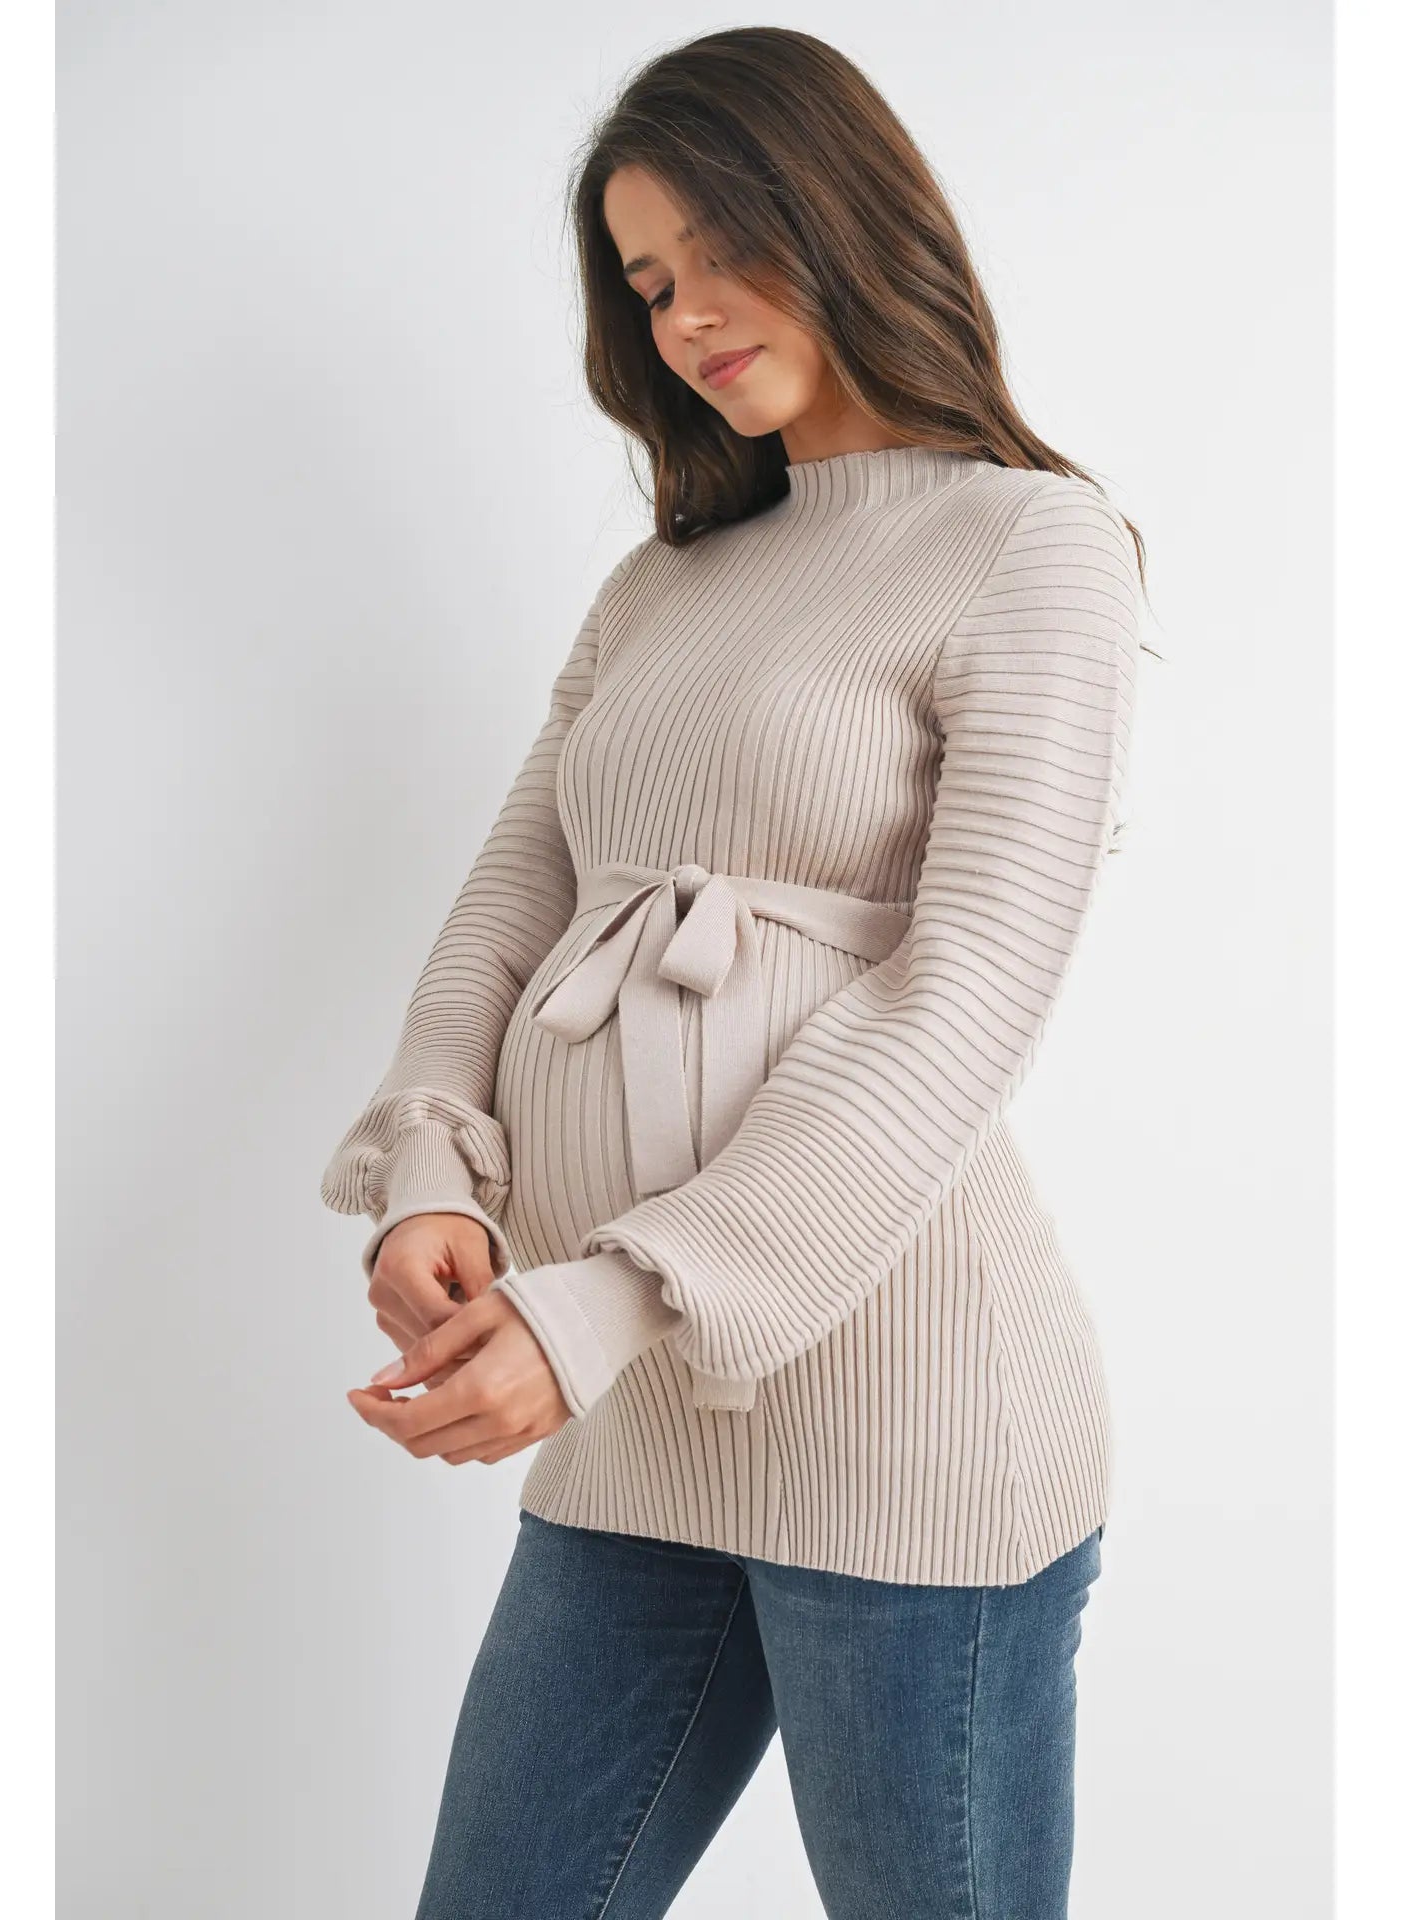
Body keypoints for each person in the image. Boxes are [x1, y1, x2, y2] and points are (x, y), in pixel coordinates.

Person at [320, 25, 1147, 1919]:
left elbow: (965, 998)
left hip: (908, 1430)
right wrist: (431, 1170)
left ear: (846, 216)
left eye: (726, 249)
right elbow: (509, 901)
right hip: (631, 1431)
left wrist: (603, 1305)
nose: (687, 315)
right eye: (647, 281)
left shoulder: (1032, 545)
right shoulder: (659, 586)